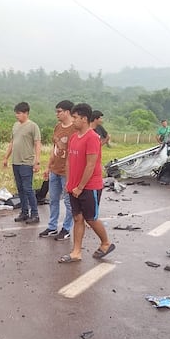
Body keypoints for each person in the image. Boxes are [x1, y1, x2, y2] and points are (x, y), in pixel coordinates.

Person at [58, 103, 114, 263]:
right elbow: (69, 161)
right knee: (77, 218)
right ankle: (76, 252)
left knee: (91, 218)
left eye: (75, 118)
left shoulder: (92, 138)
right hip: (74, 186)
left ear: (84, 119)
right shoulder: (74, 137)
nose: (73, 121)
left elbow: (91, 164)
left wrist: (80, 186)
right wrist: (69, 183)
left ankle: (105, 243)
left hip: (89, 187)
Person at [39, 101, 74, 241]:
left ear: (67, 112)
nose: (57, 114)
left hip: (67, 172)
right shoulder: (57, 127)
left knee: (68, 201)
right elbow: (54, 149)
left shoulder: (74, 129)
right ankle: (52, 227)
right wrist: (48, 167)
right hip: (55, 170)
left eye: (59, 111)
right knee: (53, 199)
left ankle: (66, 228)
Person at [3, 102, 42, 224]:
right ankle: (24, 212)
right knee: (20, 188)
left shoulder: (33, 126)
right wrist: (6, 157)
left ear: (26, 113)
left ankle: (35, 213)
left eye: (19, 113)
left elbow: (37, 143)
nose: (17, 115)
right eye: (16, 113)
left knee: (27, 188)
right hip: (16, 161)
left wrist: (37, 161)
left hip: (26, 162)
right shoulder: (15, 126)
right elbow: (12, 142)